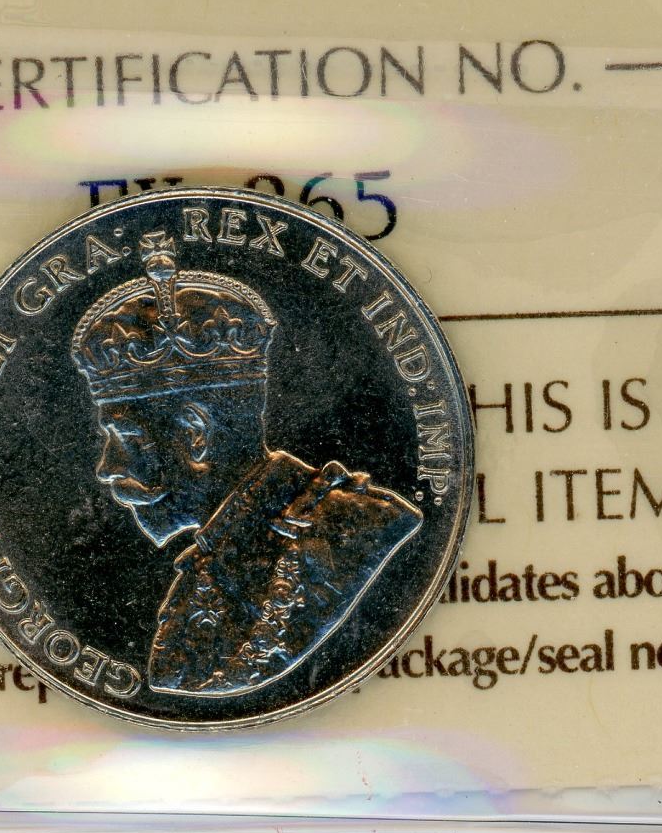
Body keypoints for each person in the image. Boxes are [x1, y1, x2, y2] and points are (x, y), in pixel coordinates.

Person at [70, 229, 422, 697]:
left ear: (195, 435)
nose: (107, 468)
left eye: (124, 437)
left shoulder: (357, 527)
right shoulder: (208, 558)